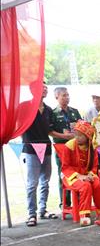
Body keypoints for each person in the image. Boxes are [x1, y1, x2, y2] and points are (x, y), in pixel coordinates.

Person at [60, 121, 100, 226]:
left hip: (87, 175)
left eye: (80, 135)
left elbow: (95, 165)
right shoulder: (69, 146)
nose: (77, 137)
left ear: (87, 137)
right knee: (85, 186)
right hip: (70, 176)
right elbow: (65, 167)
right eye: (76, 134)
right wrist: (80, 176)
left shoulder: (92, 147)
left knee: (97, 182)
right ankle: (84, 215)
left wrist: (90, 175)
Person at [21, 81, 54, 226]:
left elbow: (50, 131)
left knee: (45, 182)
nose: (45, 89)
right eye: (42, 87)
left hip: (46, 148)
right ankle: (31, 213)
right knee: (32, 183)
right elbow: (18, 126)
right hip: (31, 149)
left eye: (46, 87)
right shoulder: (24, 107)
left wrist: (68, 136)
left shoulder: (48, 110)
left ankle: (42, 210)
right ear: (32, 89)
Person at [49, 86, 80, 207]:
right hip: (61, 148)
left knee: (77, 171)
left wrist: (76, 134)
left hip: (75, 147)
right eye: (64, 95)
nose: (67, 98)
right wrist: (63, 136)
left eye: (68, 95)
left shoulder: (74, 111)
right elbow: (50, 131)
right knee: (63, 173)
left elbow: (81, 126)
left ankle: (79, 198)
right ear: (57, 97)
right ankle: (65, 202)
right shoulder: (53, 113)